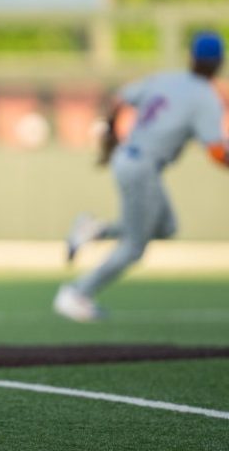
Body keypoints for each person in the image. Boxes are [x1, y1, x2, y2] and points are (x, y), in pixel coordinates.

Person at [54, 31, 229, 323]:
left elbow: (121, 97)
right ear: (219, 63)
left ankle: (94, 230)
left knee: (166, 227)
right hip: (143, 166)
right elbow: (216, 151)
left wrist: (110, 130)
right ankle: (76, 294)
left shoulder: (166, 79)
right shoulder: (206, 96)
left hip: (129, 157)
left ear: (191, 58)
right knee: (135, 247)